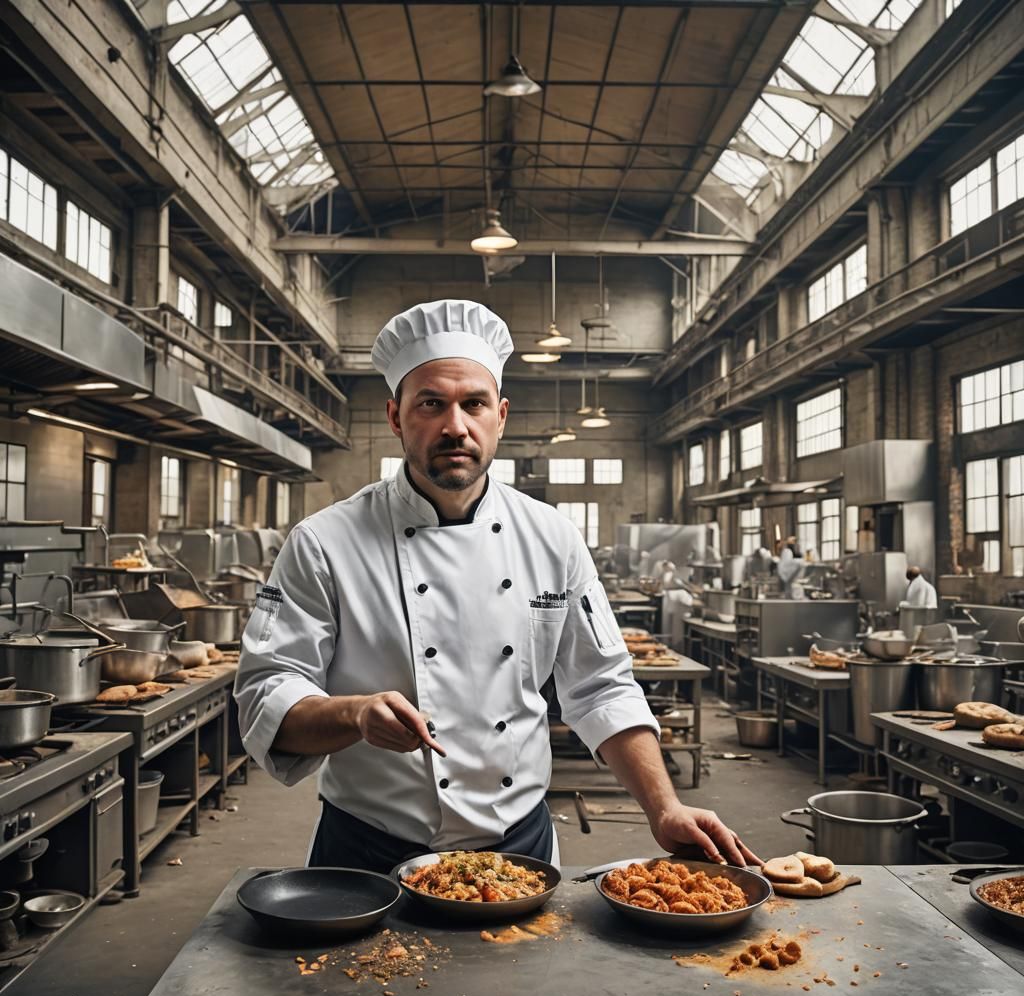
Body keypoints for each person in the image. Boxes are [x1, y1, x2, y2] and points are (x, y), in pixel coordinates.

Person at [234, 299, 760, 873]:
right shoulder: (323, 542)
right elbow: (267, 693)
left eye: (473, 404)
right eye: (430, 403)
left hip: (519, 850)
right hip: (367, 853)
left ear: (500, 416)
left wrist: (665, 808)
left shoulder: (553, 537)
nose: (454, 426)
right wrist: (352, 715)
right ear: (395, 417)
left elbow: (602, 686)